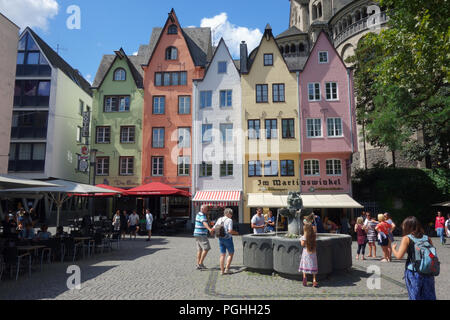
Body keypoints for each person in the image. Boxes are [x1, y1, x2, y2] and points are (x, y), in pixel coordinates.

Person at [392, 216, 436, 300]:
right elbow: (432, 254)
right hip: (429, 272)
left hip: (414, 272)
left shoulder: (407, 238)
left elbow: (399, 256)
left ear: (407, 226)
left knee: (414, 296)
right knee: (429, 296)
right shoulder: (427, 238)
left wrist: (393, 249)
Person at [214, 208, 239, 275]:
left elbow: (214, 227)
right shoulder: (229, 220)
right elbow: (230, 231)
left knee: (222, 255)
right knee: (231, 253)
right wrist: (236, 233)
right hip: (228, 239)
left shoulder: (219, 219)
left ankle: (222, 271)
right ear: (228, 213)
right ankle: (227, 269)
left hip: (220, 238)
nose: (231, 215)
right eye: (231, 214)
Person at [194, 205, 214, 270]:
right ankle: (200, 264)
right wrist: (209, 229)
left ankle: (198, 264)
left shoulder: (198, 214)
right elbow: (204, 223)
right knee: (206, 248)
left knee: (199, 249)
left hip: (197, 233)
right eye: (206, 209)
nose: (207, 210)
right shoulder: (202, 215)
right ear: (202, 209)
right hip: (201, 234)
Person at [299, 222, 319, 288]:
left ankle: (304, 278)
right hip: (313, 252)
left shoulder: (304, 236)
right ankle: (314, 280)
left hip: (306, 252)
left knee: (305, 264)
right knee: (313, 265)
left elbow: (302, 244)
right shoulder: (314, 235)